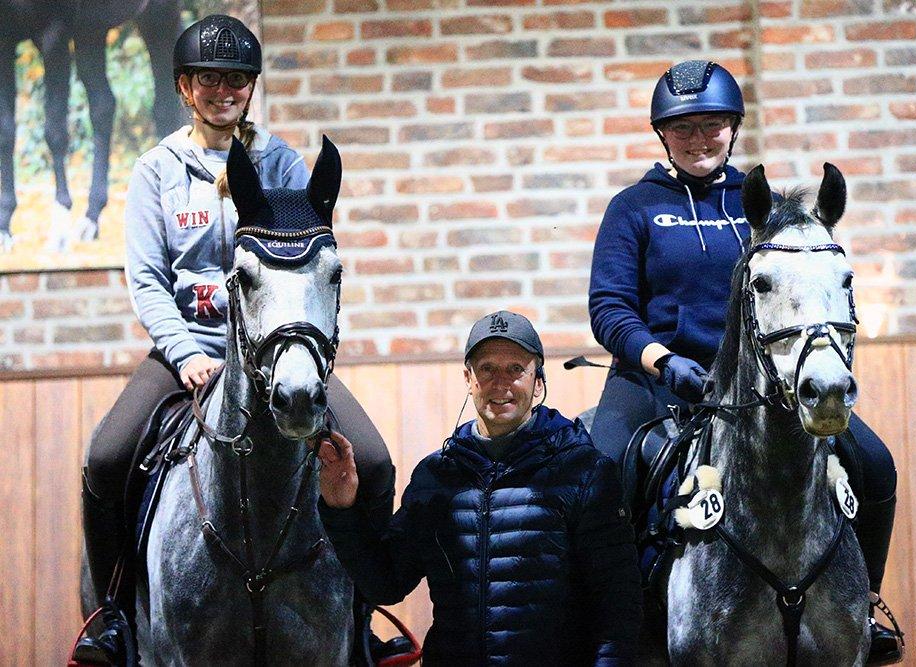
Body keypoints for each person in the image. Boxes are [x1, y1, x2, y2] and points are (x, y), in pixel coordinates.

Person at [73, 15, 395, 663]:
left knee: (375, 459)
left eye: (237, 79)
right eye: (210, 78)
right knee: (105, 457)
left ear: (251, 88)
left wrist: (302, 349)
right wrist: (186, 352)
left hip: (279, 350)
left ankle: (363, 614)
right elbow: (147, 278)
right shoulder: (157, 171)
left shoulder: (282, 163)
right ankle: (112, 617)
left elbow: (307, 267)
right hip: (186, 351)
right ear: (185, 87)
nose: (224, 90)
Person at [588, 60, 903, 664]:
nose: (698, 139)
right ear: (662, 134)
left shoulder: (764, 209)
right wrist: (662, 360)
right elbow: (609, 308)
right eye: (683, 128)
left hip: (762, 378)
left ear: (733, 128)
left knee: (875, 463)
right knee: (603, 472)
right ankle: (617, 624)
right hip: (660, 376)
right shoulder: (633, 207)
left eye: (712, 125)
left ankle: (862, 604)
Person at [317, 311, 642, 666]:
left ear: (538, 382)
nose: (500, 383)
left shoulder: (585, 472)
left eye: (515, 369)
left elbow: (618, 608)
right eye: (487, 369)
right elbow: (386, 584)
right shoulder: (435, 477)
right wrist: (341, 508)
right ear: (469, 379)